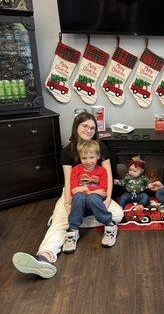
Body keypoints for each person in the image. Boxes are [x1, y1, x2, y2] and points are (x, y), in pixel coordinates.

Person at [12, 112, 124, 279]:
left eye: (92, 127)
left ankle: (74, 221)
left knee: (118, 214)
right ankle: (44, 257)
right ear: (76, 127)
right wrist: (67, 203)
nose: (88, 130)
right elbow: (68, 182)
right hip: (75, 193)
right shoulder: (67, 151)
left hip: (97, 193)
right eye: (84, 126)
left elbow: (108, 176)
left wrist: (107, 199)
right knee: (59, 222)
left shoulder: (101, 147)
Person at [63, 139, 117, 253]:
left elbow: (104, 191)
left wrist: (85, 189)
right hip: (80, 199)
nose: (88, 161)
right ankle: (73, 230)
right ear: (79, 157)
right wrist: (93, 190)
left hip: (94, 199)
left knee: (91, 198)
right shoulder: (75, 170)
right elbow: (73, 190)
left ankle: (110, 224)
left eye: (91, 157)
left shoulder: (102, 171)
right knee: (78, 197)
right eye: (84, 158)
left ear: (98, 156)